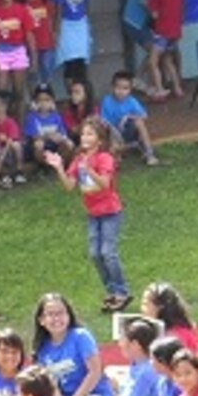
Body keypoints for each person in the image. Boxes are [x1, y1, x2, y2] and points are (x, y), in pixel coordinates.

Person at [42, 116, 128, 313]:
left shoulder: (104, 158)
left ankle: (121, 292)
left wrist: (90, 170)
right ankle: (112, 291)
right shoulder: (79, 159)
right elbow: (69, 186)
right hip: (93, 213)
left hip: (110, 212)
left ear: (100, 139)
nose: (84, 137)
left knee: (108, 252)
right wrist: (59, 168)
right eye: (83, 133)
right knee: (95, 254)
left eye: (90, 133)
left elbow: (105, 184)